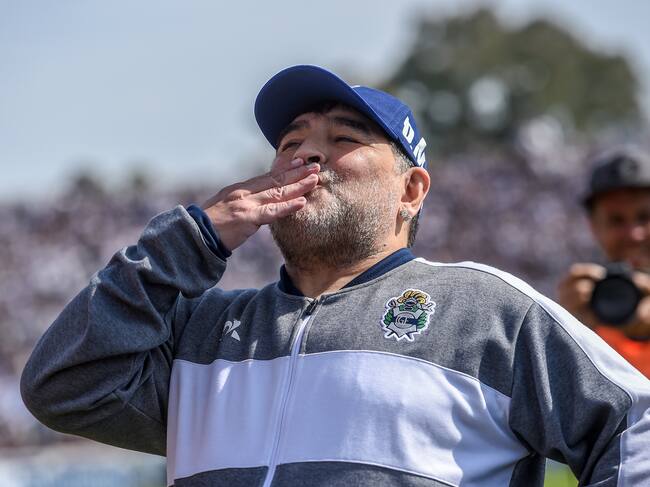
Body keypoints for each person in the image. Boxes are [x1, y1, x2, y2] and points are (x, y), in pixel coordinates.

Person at [21, 65, 650, 487]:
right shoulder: (202, 331)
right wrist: (193, 239)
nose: (307, 153)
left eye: (344, 137)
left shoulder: (483, 309)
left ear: (411, 190)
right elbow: (62, 386)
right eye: (290, 143)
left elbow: (635, 422)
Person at [557, 149, 650, 377]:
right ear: (593, 227)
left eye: (645, 217)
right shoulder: (583, 307)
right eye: (616, 220)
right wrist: (563, 333)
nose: (634, 234)